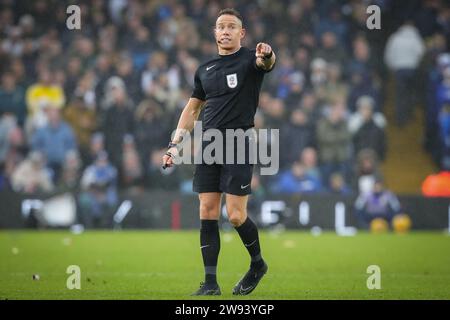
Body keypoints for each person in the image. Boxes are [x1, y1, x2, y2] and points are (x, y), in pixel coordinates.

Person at [162, 8, 276, 296]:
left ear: (242, 33)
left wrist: (267, 54)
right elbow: (192, 109)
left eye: (231, 27)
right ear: (214, 33)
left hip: (239, 143)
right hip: (209, 146)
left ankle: (257, 264)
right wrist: (175, 145)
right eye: (220, 27)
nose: (225, 31)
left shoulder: (251, 59)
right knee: (207, 210)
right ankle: (210, 283)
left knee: (235, 215)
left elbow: (267, 63)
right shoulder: (205, 70)